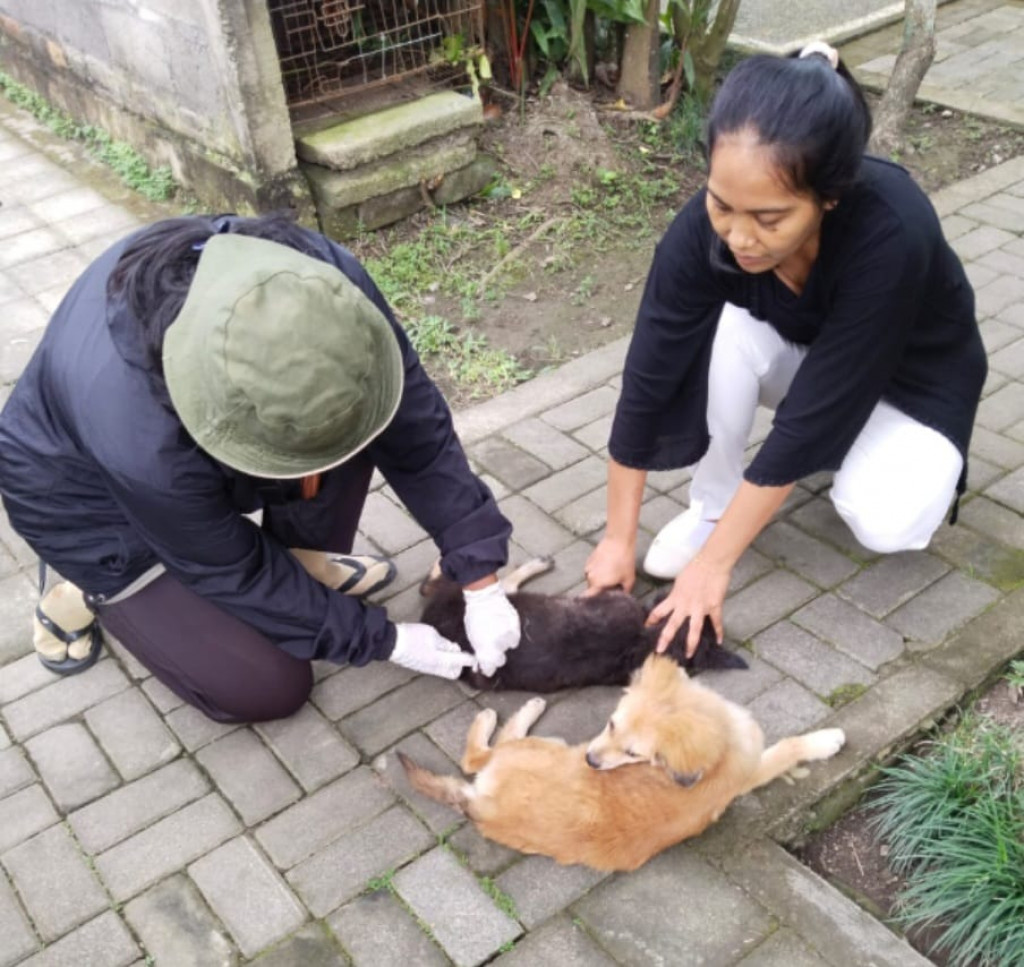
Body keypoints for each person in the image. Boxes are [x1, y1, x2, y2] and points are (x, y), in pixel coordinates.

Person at [0, 214, 522, 722]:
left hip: (202, 461)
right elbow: (231, 569)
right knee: (269, 686)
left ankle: (302, 571)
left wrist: (479, 575)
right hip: (91, 507)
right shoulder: (139, 438)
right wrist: (385, 640)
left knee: (351, 420)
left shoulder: (319, 284)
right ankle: (73, 592)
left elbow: (416, 432)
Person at [585, 42, 987, 656]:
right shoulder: (706, 230)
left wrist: (712, 572)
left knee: (882, 520)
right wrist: (618, 537)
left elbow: (811, 417)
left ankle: (887, 467)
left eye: (769, 219)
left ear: (829, 196)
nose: (739, 237)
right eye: (722, 204)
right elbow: (649, 373)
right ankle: (714, 509)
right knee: (722, 330)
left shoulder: (891, 231)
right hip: (816, 360)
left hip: (913, 388)